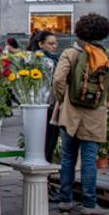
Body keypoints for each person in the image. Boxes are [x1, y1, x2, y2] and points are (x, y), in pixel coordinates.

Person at [52, 13, 109, 215]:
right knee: (89, 159)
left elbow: (58, 80)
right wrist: (102, 104)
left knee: (68, 157)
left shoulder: (71, 53)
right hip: (94, 116)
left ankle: (65, 200)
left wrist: (64, 101)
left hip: (70, 114)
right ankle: (89, 204)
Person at [27, 30, 62, 165]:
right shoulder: (43, 61)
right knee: (46, 143)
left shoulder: (51, 59)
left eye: (55, 43)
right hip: (45, 104)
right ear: (41, 44)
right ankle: (43, 177)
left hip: (45, 104)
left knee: (45, 143)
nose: (55, 46)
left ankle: (44, 177)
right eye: (51, 43)